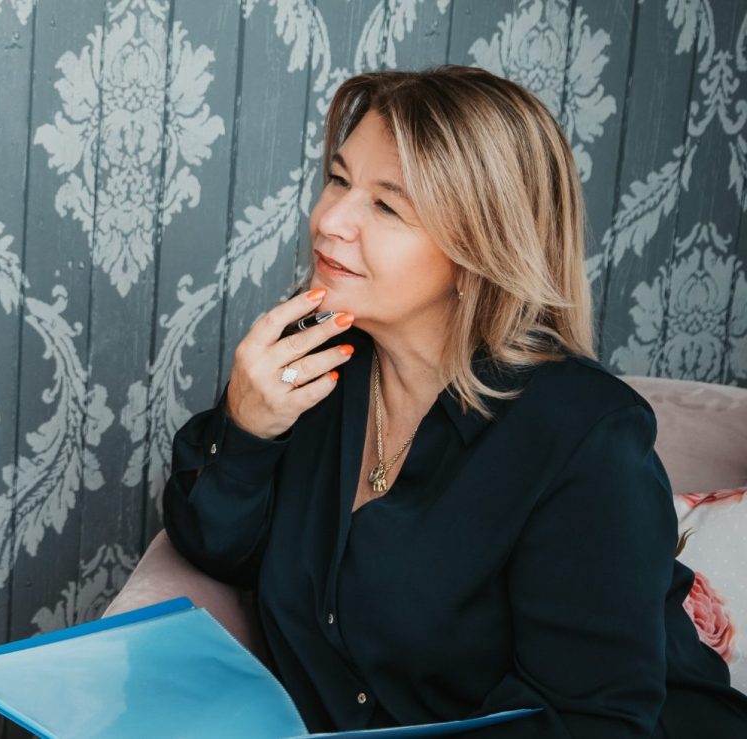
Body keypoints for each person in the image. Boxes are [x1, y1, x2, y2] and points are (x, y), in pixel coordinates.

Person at [162, 66, 747, 737]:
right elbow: (216, 548)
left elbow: (592, 723)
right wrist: (248, 427)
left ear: (480, 249)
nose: (329, 221)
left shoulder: (582, 436)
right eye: (339, 180)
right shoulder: (312, 359)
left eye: (386, 207)